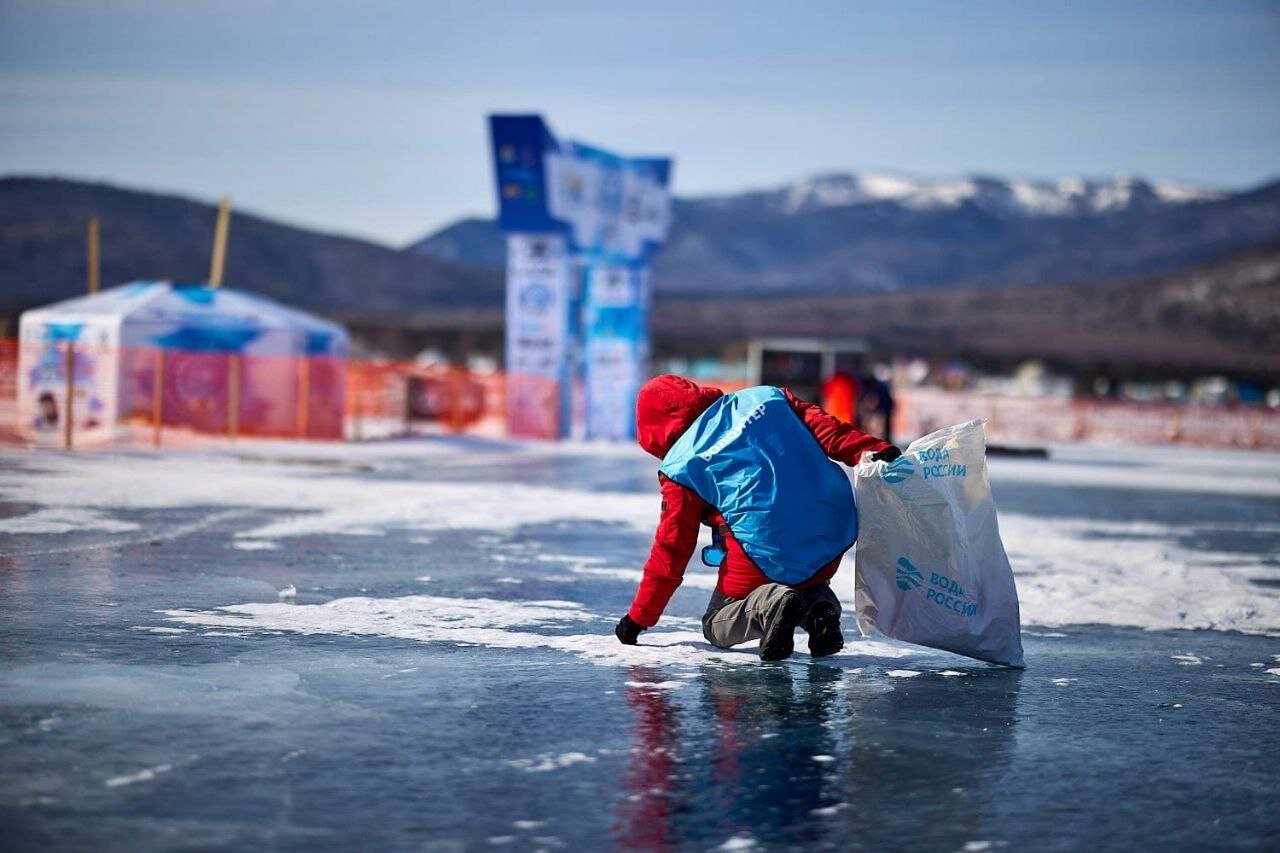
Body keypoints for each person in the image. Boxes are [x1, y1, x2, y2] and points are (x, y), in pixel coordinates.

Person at [614, 375, 901, 661]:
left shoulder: (681, 467)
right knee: (803, 572)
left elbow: (672, 548)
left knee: (717, 623)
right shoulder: (766, 397)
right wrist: (873, 449)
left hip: (766, 550)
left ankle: (770, 606)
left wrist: (639, 617)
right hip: (834, 525)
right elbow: (828, 430)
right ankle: (818, 607)